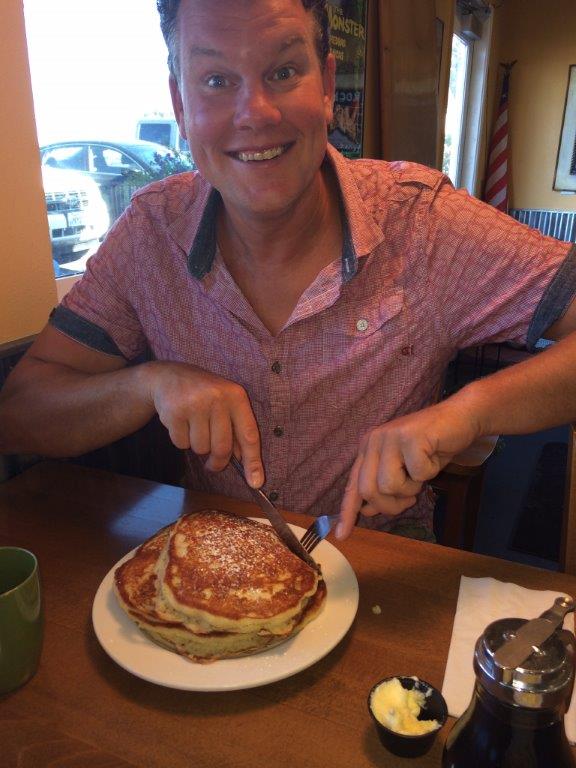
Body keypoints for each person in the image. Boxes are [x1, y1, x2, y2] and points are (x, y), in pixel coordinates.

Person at [1, 0, 576, 544]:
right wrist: (149, 385)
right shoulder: (150, 233)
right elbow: (20, 414)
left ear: (326, 85)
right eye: (216, 80)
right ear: (180, 104)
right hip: (212, 562)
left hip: (382, 564)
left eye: (283, 72)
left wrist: (466, 413)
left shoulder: (424, 221)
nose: (255, 113)